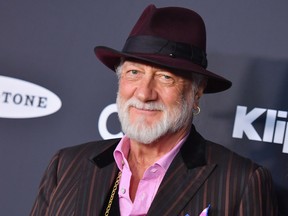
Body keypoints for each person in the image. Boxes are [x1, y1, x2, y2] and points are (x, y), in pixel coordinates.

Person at [30, 4, 278, 216]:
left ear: (197, 91)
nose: (144, 93)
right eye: (134, 73)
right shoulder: (65, 166)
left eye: (165, 77)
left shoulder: (241, 182)